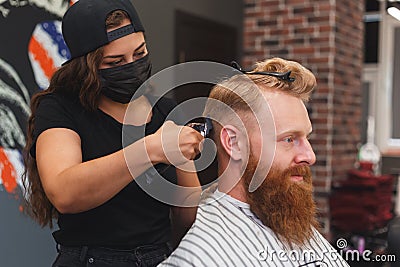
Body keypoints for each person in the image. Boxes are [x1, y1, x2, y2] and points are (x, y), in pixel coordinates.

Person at [22, 0, 203, 266]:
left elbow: (188, 221)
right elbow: (64, 192)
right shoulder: (61, 108)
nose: (132, 66)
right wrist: (150, 150)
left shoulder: (165, 110)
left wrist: (184, 157)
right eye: (115, 61)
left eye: (140, 54)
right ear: (86, 65)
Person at [159, 58, 350, 266]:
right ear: (234, 143)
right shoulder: (203, 256)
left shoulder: (285, 216)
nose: (310, 156)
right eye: (289, 139)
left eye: (306, 138)